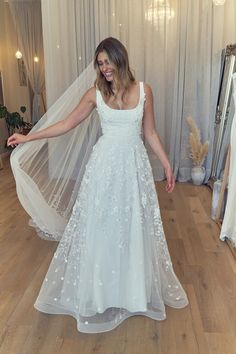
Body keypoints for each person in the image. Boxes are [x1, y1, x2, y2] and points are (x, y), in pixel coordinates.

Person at [8, 37, 188, 333]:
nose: (104, 68)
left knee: (132, 226)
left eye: (107, 61)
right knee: (102, 226)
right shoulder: (95, 94)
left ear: (121, 59)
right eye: (100, 63)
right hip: (104, 169)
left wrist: (167, 164)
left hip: (133, 169)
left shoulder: (145, 91)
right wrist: (29, 137)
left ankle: (131, 292)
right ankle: (102, 293)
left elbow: (151, 133)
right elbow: (66, 124)